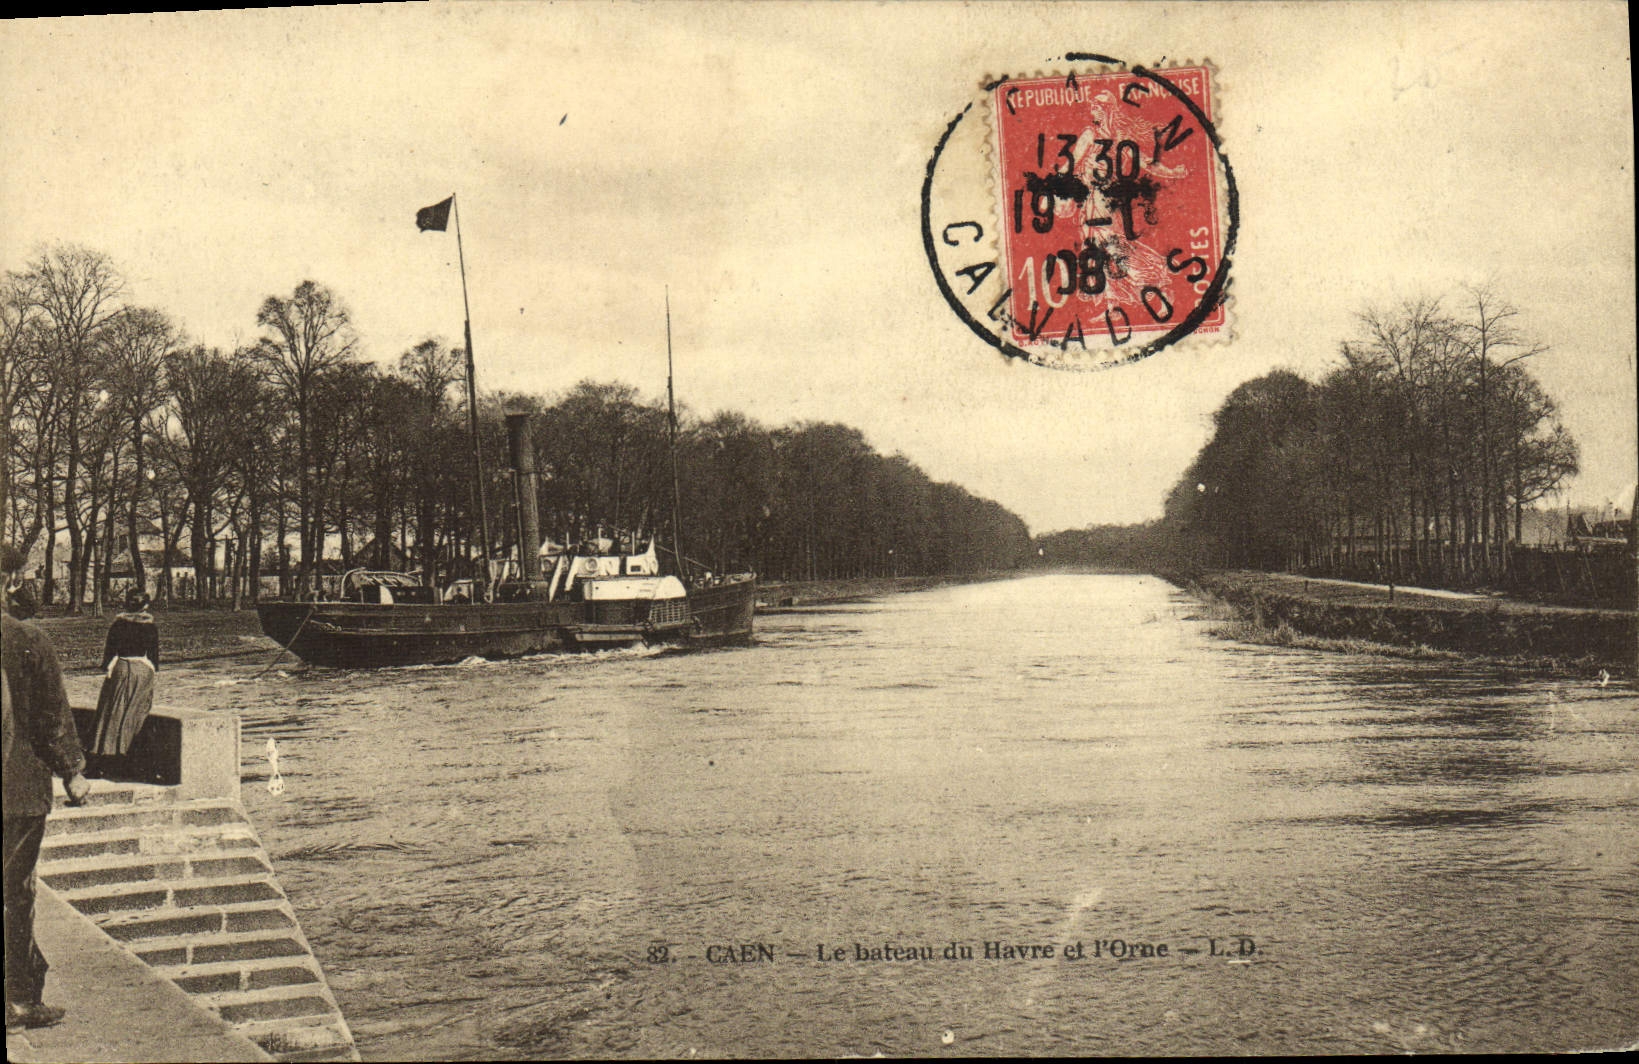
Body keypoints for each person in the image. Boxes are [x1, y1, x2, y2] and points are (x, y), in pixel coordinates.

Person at [3, 544, 90, 1032]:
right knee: (14, 894)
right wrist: (72, 771)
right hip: (15, 791)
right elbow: (50, 718)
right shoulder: (27, 640)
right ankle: (19, 1001)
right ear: (12, 579)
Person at [86, 586, 160, 780]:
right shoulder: (149, 625)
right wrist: (152, 669)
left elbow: (109, 651)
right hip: (141, 671)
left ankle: (101, 757)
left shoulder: (118, 624)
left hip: (120, 668)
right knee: (136, 714)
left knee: (110, 712)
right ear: (145, 605)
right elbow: (153, 655)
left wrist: (107, 667)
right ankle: (127, 758)